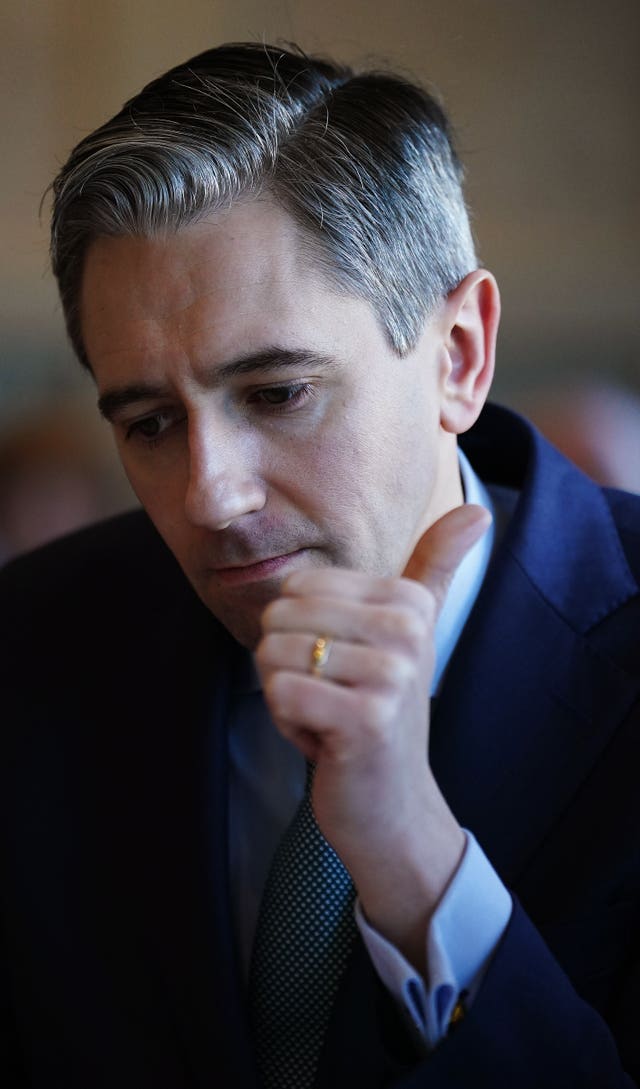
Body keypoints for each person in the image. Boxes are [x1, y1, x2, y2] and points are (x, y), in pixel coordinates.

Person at [1, 41, 638, 1089]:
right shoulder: (29, 648)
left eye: (277, 394)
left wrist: (416, 865)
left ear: (457, 356)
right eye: (152, 423)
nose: (211, 497)